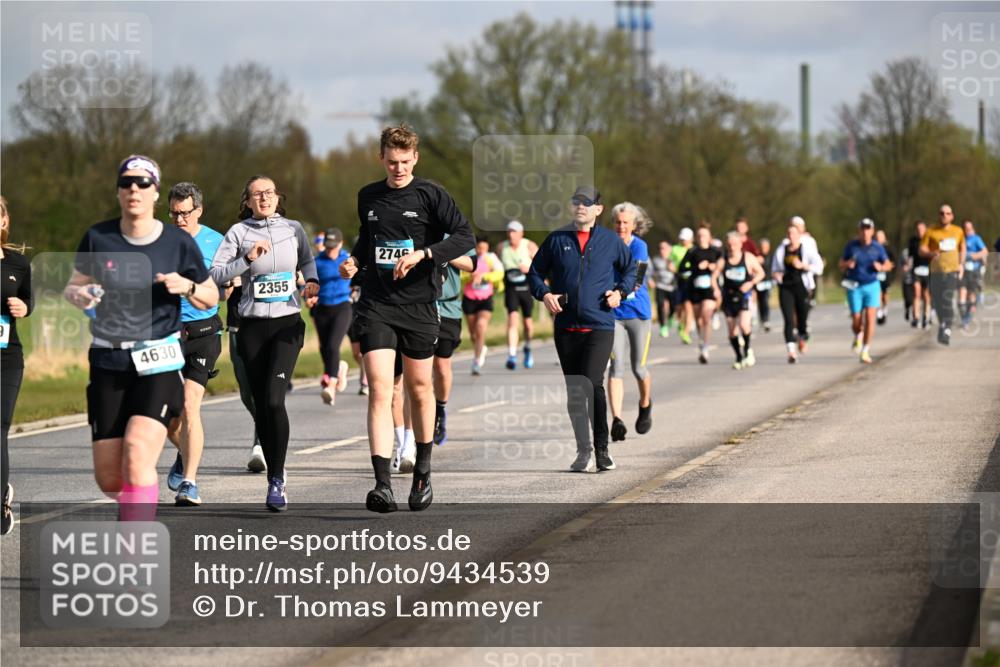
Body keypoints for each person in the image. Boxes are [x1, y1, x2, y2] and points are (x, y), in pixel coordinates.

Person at [64, 155, 218, 521]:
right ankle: (136, 503)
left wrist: (189, 285)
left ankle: (136, 560)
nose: (134, 189)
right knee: (109, 476)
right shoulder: (98, 237)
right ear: (118, 192)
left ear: (155, 193)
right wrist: (80, 295)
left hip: (158, 358)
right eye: (127, 183)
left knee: (137, 452)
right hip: (109, 360)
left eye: (143, 183)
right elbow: (74, 286)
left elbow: (211, 294)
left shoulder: (177, 242)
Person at [339, 125, 475, 513]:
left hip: (419, 307)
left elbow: (464, 237)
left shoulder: (431, 194)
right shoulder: (368, 195)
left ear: (415, 158)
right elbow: (368, 240)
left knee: (419, 389)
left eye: (404, 162)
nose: (398, 169)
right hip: (377, 305)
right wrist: (354, 261)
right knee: (381, 390)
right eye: (391, 162)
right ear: (381, 158)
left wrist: (425, 254)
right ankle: (382, 485)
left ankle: (423, 474)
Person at [210, 174, 319, 511]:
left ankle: (277, 478)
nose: (264, 198)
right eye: (257, 194)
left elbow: (307, 260)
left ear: (277, 197)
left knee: (274, 401)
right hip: (252, 328)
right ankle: (274, 467)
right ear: (247, 201)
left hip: (286, 325)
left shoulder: (294, 229)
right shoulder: (238, 233)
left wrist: (311, 282)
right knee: (260, 405)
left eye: (269, 193)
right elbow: (216, 274)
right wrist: (246, 260)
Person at [529, 185, 635, 473]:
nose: (581, 207)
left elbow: (630, 271)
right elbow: (534, 273)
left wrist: (620, 293)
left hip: (599, 323)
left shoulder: (611, 241)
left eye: (587, 203)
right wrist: (545, 294)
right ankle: (583, 450)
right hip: (566, 326)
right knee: (575, 390)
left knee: (593, 383)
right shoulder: (557, 239)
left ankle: (602, 450)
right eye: (576, 202)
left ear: (598, 209)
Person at [163, 182, 224, 506]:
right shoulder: (159, 239)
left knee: (189, 405)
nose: (179, 220)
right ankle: (185, 452)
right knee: (167, 418)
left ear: (198, 210)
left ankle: (190, 482)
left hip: (203, 333)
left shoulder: (217, 240)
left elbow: (231, 278)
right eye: (173, 213)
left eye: (185, 213)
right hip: (166, 334)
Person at [607, 202, 654, 442]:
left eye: (626, 222)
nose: (621, 226)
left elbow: (636, 278)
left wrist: (618, 294)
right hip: (613, 316)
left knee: (638, 368)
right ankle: (617, 420)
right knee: (616, 368)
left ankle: (645, 404)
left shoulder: (639, 246)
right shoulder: (605, 245)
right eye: (618, 222)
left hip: (637, 313)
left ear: (634, 225)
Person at [1, 196, 32, 535]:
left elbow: (30, 301)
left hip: (7, 357)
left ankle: (0, 501)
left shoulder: (18, 264)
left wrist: (23, 307)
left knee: (0, 425)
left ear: (4, 222)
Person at [433, 237, 476, 445]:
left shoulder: (453, 236)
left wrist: (443, 253)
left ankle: (439, 409)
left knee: (441, 366)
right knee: (417, 370)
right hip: (421, 307)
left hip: (448, 309)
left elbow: (470, 265)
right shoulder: (415, 228)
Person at [225, 277, 266, 473]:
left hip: (266, 324)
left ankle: (260, 445)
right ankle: (267, 424)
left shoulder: (275, 246)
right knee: (246, 393)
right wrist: (228, 282)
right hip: (237, 325)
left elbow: (296, 275)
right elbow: (218, 292)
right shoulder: (227, 248)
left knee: (262, 391)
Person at [839, 219, 891, 364]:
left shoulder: (877, 247)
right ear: (859, 231)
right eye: (862, 229)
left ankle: (866, 350)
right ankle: (858, 335)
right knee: (856, 320)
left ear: (872, 231)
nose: (865, 232)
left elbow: (888, 264)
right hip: (854, 285)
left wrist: (881, 266)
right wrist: (847, 264)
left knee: (870, 317)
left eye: (868, 229)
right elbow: (840, 264)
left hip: (872, 285)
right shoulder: (851, 246)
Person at [310, 228, 353, 405]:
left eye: (334, 247)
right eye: (328, 246)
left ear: (341, 244)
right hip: (322, 309)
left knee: (333, 345)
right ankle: (339, 369)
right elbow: (308, 282)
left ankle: (331, 386)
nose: (330, 250)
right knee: (324, 347)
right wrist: (309, 296)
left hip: (343, 307)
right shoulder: (316, 261)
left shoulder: (348, 259)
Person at [772, 221, 822, 363]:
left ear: (799, 235)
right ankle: (791, 351)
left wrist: (803, 265)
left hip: (802, 286)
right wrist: (776, 275)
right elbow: (774, 268)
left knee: (802, 318)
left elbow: (819, 267)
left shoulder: (807, 248)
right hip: (786, 287)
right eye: (789, 234)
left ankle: (802, 335)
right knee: (788, 319)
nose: (791, 236)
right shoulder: (782, 250)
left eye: (794, 233)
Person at [921, 204, 966, 345]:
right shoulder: (931, 231)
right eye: (942, 213)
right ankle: (943, 324)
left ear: (952, 216)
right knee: (937, 302)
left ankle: (947, 327)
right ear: (938, 215)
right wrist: (930, 253)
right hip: (935, 271)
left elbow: (962, 248)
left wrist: (961, 264)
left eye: (947, 213)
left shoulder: (958, 231)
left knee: (947, 297)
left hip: (952, 270)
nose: (944, 216)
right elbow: (921, 249)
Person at [678, 224, 723, 364]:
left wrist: (714, 267)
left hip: (710, 288)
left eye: (704, 235)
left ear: (709, 237)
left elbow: (723, 264)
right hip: (695, 288)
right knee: (698, 320)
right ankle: (702, 341)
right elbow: (681, 268)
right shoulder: (692, 251)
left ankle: (705, 346)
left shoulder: (715, 251)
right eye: (699, 235)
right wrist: (696, 267)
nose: (702, 237)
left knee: (706, 317)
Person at [497, 221, 538, 370]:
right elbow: (495, 265)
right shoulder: (502, 247)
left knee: (527, 323)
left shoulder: (530, 246)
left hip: (526, 287)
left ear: (522, 233)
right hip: (511, 288)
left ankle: (527, 347)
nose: (511, 234)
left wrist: (529, 268)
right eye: (509, 231)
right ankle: (512, 355)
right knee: (512, 320)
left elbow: (542, 265)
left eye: (514, 232)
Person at [720, 231, 764, 369]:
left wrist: (751, 283)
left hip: (744, 296)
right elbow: (714, 275)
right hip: (728, 297)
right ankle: (738, 356)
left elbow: (761, 273)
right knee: (732, 331)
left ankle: (747, 350)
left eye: (735, 244)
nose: (732, 247)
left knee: (745, 325)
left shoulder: (748, 257)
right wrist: (715, 289)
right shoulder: (723, 259)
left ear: (740, 244)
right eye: (729, 245)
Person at [462, 235, 503, 375]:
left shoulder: (491, 258)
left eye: (484, 248)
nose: (481, 251)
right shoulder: (468, 257)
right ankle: (481, 348)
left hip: (486, 298)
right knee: (473, 334)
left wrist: (484, 276)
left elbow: (499, 273)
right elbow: (460, 275)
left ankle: (476, 361)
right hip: (469, 298)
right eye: (479, 248)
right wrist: (470, 277)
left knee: (481, 326)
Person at [959, 219, 988, 329]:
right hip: (963, 270)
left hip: (974, 270)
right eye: (965, 228)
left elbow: (984, 251)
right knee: (962, 294)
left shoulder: (976, 239)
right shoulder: (961, 239)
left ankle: (967, 318)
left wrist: (971, 257)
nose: (967, 230)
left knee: (971, 295)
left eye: (969, 228)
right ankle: (964, 315)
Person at [670, 228, 695, 344]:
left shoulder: (694, 250)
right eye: (682, 238)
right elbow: (669, 262)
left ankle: (686, 332)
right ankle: (680, 323)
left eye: (685, 239)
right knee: (679, 307)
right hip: (679, 280)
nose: (683, 241)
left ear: (691, 239)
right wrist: (672, 268)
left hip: (691, 281)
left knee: (689, 307)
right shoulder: (675, 249)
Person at [907, 221, 932, 329]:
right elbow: (910, 256)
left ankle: (926, 317)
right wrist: (907, 266)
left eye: (922, 229)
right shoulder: (913, 241)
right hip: (916, 269)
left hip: (927, 270)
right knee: (916, 292)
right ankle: (916, 317)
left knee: (926, 294)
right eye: (918, 229)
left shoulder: (930, 240)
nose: (920, 231)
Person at [650, 240, 676, 338]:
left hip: (672, 287)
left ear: (670, 249)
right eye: (660, 248)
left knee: (674, 306)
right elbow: (650, 272)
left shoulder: (674, 259)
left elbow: (680, 272)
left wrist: (673, 269)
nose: (662, 250)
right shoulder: (656, 260)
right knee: (660, 305)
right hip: (660, 285)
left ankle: (670, 317)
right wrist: (650, 280)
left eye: (664, 248)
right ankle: (663, 326)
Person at [874, 229, 895, 325]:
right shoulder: (872, 248)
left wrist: (885, 267)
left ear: (884, 238)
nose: (878, 239)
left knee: (885, 295)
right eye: (877, 237)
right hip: (876, 275)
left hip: (886, 275)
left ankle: (885, 309)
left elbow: (893, 262)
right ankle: (879, 312)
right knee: (878, 293)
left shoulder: (888, 248)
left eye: (880, 237)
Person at [756, 238, 774, 332]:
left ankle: (766, 319)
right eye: (762, 247)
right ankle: (762, 319)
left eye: (765, 247)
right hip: (759, 282)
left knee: (766, 300)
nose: (764, 248)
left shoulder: (772, 257)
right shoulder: (757, 257)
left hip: (768, 281)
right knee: (760, 301)